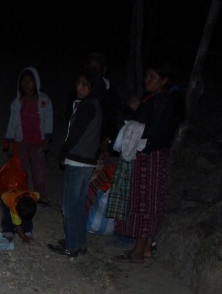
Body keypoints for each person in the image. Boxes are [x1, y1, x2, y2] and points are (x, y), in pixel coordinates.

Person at [112, 63, 180, 264]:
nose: (147, 80)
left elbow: (152, 130)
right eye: (146, 76)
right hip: (156, 156)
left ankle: (137, 253)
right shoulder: (160, 100)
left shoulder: (162, 102)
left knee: (145, 203)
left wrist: (137, 110)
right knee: (152, 202)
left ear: (164, 80)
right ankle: (146, 248)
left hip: (150, 156)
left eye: (152, 76)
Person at [48, 68, 104, 258]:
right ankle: (78, 242)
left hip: (77, 160)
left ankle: (71, 246)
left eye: (84, 85)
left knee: (69, 205)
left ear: (92, 87)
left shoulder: (86, 106)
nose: (79, 87)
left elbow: (75, 134)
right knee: (78, 204)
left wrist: (63, 152)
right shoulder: (95, 105)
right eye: (78, 83)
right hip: (87, 162)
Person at [4, 66, 54, 204]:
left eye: (30, 81)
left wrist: (47, 139)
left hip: (38, 141)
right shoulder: (18, 102)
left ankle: (41, 195)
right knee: (20, 169)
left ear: (36, 82)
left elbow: (49, 120)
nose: (27, 84)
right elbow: (12, 122)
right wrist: (9, 141)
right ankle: (19, 194)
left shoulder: (44, 101)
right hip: (22, 141)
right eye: (24, 81)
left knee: (38, 171)